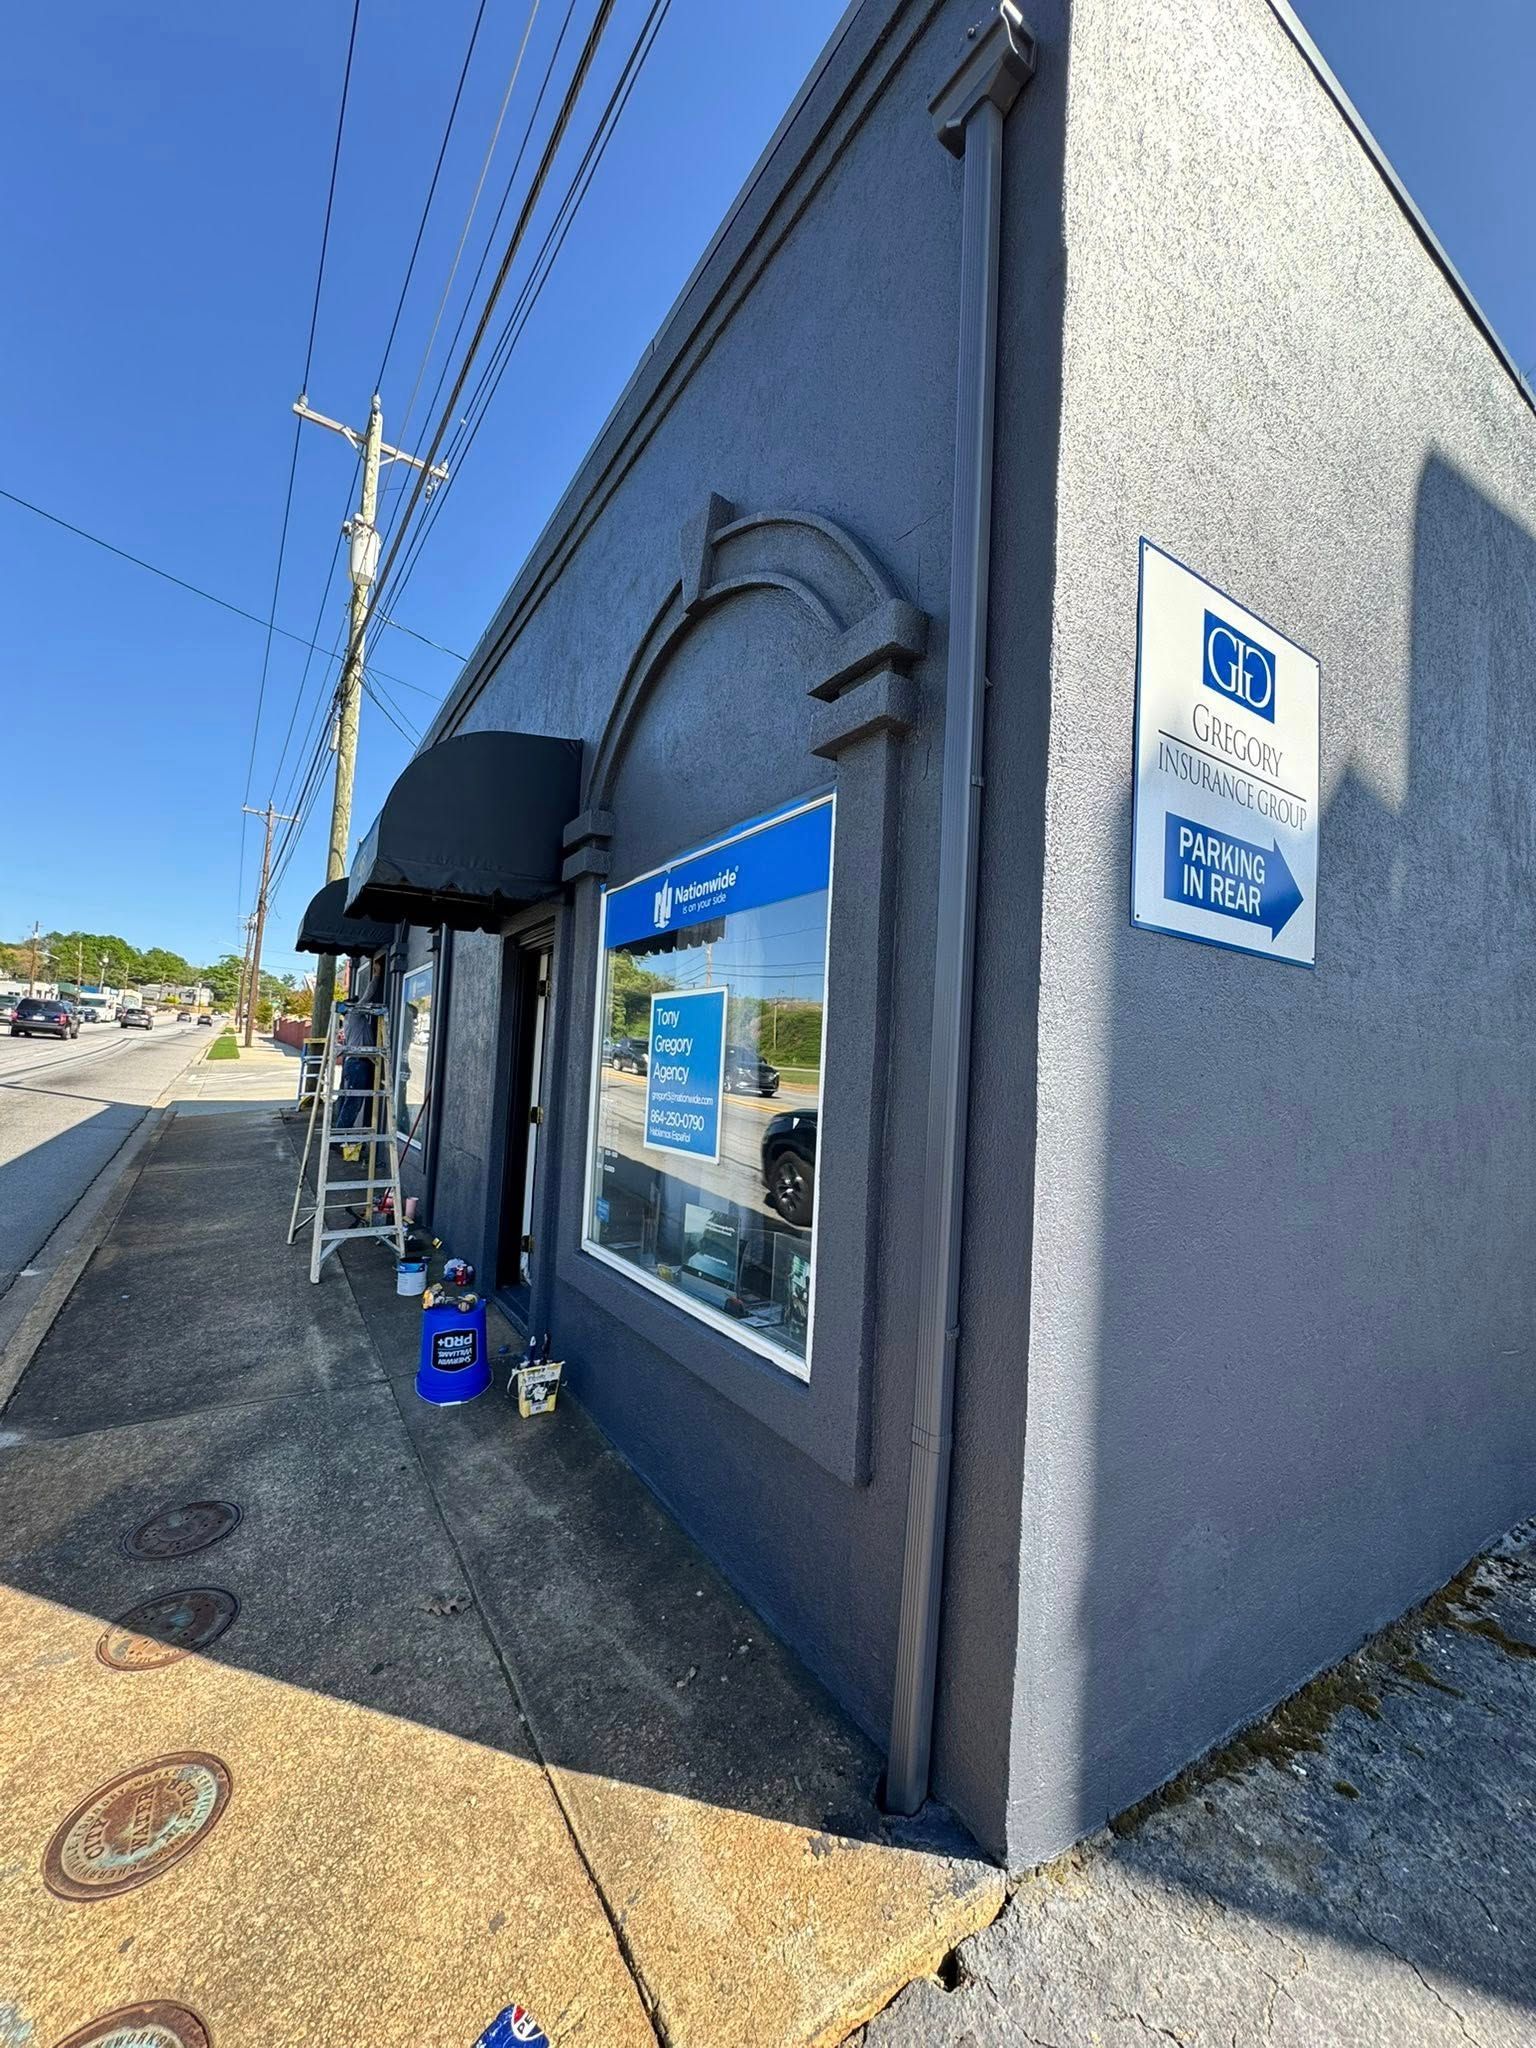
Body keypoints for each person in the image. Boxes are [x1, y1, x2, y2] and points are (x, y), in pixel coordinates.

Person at [335, 963, 381, 1156]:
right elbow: (368, 995)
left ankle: (338, 1134)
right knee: (353, 1103)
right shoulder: (354, 1014)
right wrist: (377, 976)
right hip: (358, 1064)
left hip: (356, 1063)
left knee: (347, 1100)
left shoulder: (350, 1019)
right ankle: (338, 1140)